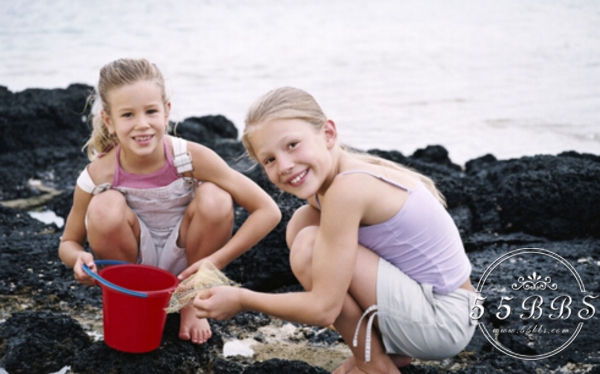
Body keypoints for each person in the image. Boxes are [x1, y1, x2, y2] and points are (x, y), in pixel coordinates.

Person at [188, 87, 477, 373]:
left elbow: (322, 309)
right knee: (303, 223)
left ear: (328, 133)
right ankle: (389, 351)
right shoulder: (334, 182)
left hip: (444, 322)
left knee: (310, 246)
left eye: (292, 145)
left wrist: (240, 299)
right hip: (443, 310)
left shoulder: (348, 189)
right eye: (270, 160)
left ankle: (374, 365)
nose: (285, 165)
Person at [58, 58, 281, 346]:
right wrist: (79, 259)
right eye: (128, 115)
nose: (142, 124)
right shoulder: (97, 174)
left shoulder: (189, 157)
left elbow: (268, 210)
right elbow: (68, 243)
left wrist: (213, 263)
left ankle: (192, 301)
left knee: (216, 196)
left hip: (189, 259)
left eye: (151, 111)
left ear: (166, 112)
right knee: (103, 206)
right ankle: (131, 302)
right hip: (132, 264)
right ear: (109, 122)